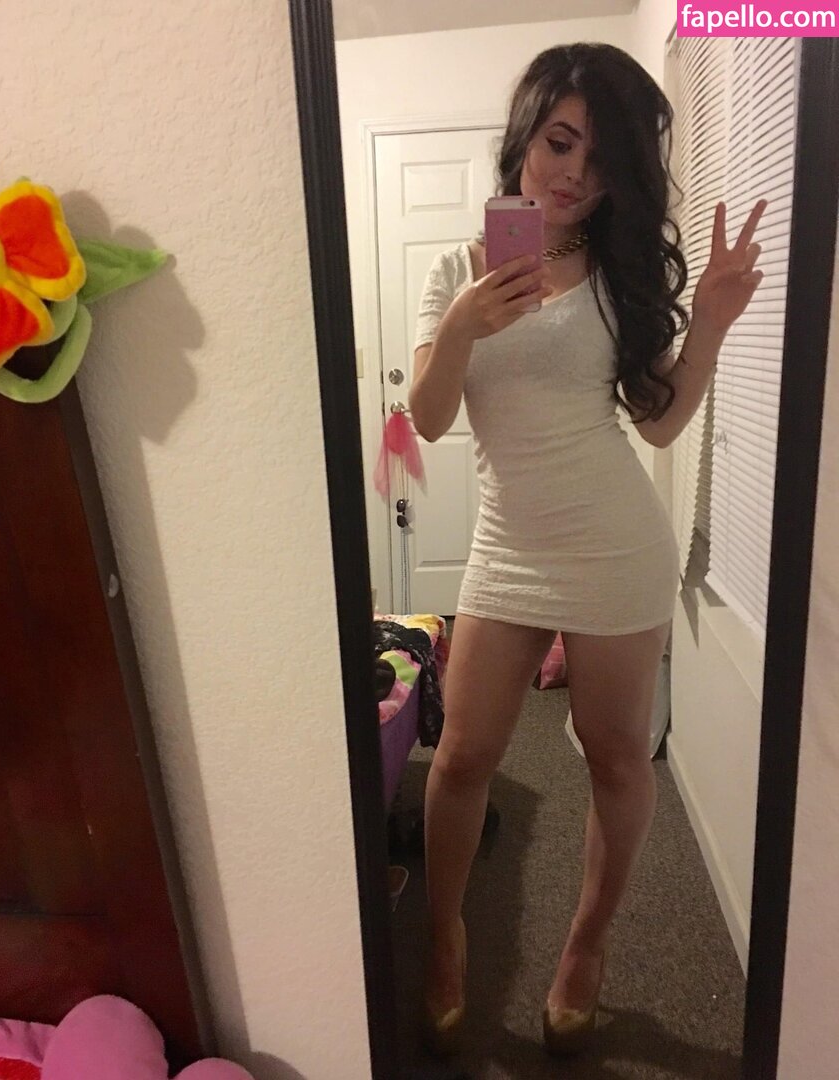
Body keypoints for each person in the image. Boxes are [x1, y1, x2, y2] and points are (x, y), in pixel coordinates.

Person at [408, 42, 765, 1056]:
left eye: (602, 160)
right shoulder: (456, 269)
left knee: (614, 756)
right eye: (561, 142)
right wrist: (466, 324)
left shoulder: (618, 275)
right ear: (526, 133)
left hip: (616, 549)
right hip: (506, 544)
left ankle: (588, 948)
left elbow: (658, 423)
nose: (574, 173)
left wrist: (712, 325)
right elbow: (428, 419)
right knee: (463, 755)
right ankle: (443, 934)